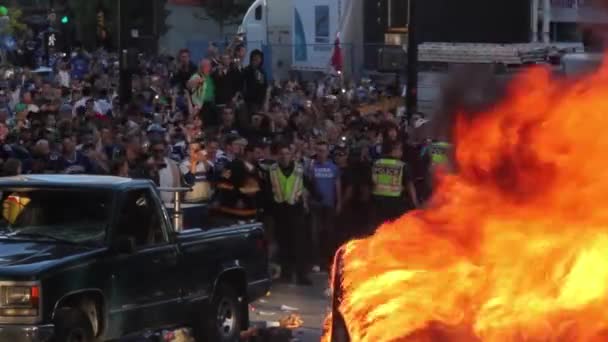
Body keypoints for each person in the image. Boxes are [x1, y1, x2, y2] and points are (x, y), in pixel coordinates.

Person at [269, 143, 313, 285]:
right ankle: (286, 274)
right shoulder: (272, 170)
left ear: (291, 155)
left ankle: (301, 276)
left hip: (296, 211)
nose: (284, 156)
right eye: (281, 154)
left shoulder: (299, 170)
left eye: (287, 153)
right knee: (284, 245)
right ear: (277, 156)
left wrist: (316, 196)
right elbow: (267, 189)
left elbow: (309, 184)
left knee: (299, 245)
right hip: (279, 211)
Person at [308, 140, 342, 271]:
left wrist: (339, 202)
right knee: (314, 234)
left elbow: (337, 185)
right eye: (318, 150)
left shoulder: (334, 168)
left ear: (327, 152)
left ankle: (328, 262)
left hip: (329, 205)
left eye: (323, 151)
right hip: (315, 205)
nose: (321, 153)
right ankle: (316, 262)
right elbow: (308, 185)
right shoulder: (311, 167)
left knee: (329, 234)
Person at [371, 141, 419, 226]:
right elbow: (410, 185)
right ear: (394, 150)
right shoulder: (402, 165)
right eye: (400, 150)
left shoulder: (376, 163)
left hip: (377, 200)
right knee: (393, 226)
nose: (401, 152)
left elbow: (369, 181)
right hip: (394, 201)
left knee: (378, 226)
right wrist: (415, 202)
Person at [180, 139, 214, 203]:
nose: (195, 151)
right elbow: (190, 179)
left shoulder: (207, 162)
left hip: (206, 198)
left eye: (197, 149)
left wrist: (204, 160)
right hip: (191, 199)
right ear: (188, 151)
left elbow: (211, 175)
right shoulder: (184, 164)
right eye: (192, 149)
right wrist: (194, 161)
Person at [188, 59, 217, 126]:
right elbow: (189, 86)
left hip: (209, 105)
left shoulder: (210, 77)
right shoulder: (196, 76)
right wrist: (197, 81)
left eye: (209, 66)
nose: (209, 68)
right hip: (199, 106)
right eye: (206, 66)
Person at [242, 50, 268, 116]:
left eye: (259, 58)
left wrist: (264, 101)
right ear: (251, 58)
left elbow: (263, 86)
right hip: (248, 100)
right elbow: (242, 83)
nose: (256, 60)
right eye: (255, 58)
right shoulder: (246, 70)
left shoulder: (261, 71)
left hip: (259, 101)